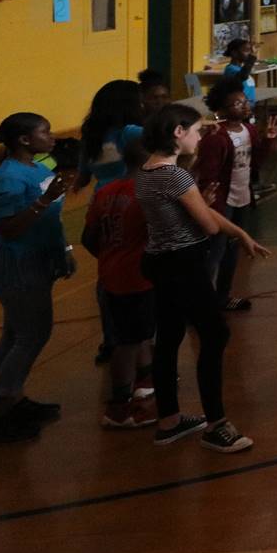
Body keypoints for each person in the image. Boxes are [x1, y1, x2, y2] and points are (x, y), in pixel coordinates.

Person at [134, 104, 269, 452]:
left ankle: (170, 420)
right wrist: (223, 224)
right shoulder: (175, 177)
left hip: (159, 261)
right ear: (178, 132)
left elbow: (200, 210)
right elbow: (208, 224)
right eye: (195, 130)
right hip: (183, 264)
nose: (199, 136)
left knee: (168, 337)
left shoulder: (147, 172)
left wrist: (238, 232)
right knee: (215, 334)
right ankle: (217, 424)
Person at [0, 114, 69, 443]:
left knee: (16, 331)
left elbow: (51, 218)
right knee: (33, 334)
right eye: (44, 133)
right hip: (16, 263)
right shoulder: (7, 178)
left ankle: (15, 397)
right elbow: (8, 229)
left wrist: (62, 249)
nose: (51, 138)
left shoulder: (38, 167)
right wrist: (44, 201)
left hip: (38, 258)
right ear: (24, 140)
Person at [80, 141, 156, 431]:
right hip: (137, 277)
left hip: (112, 273)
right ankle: (119, 408)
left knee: (138, 335)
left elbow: (89, 237)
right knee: (127, 342)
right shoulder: (146, 195)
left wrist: (111, 255)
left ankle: (144, 383)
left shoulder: (106, 192)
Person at [193, 80, 276, 313]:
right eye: (237, 104)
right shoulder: (216, 138)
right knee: (215, 251)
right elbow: (209, 174)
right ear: (221, 109)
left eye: (245, 102)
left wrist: (268, 140)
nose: (244, 106)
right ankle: (201, 303)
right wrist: (209, 203)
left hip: (242, 196)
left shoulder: (248, 130)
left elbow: (255, 162)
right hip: (222, 201)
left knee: (232, 248)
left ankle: (223, 296)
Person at [76, 79, 144, 192]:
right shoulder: (130, 132)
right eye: (140, 102)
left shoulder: (91, 137)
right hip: (129, 195)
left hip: (103, 198)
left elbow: (83, 177)